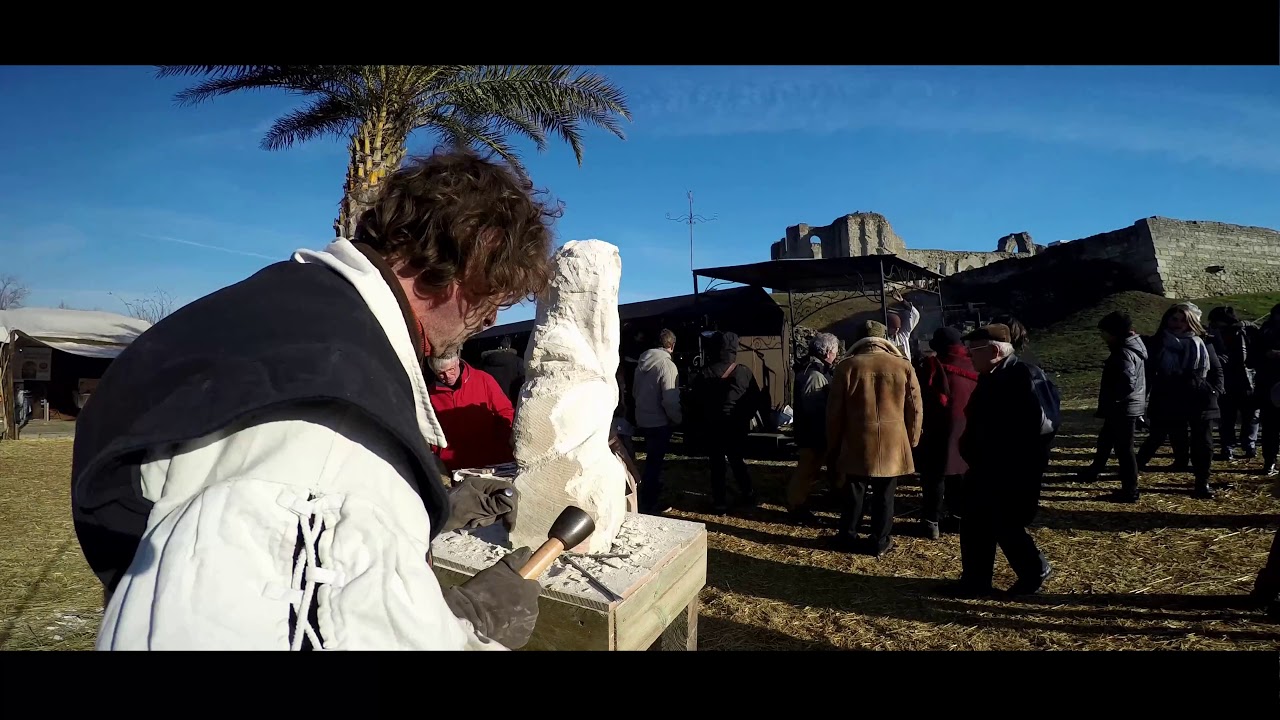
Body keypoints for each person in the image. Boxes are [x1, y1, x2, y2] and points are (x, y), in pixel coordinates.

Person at [69, 148, 558, 650]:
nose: (491, 320)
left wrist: (405, 516)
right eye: (494, 297)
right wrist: (471, 630)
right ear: (475, 260)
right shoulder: (337, 422)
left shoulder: (277, 312)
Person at [950, 323, 1054, 597]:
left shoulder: (1022, 376)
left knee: (1002, 521)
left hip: (1009, 469)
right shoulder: (992, 375)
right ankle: (975, 581)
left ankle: (1034, 569)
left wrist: (1016, 462)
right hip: (985, 466)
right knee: (975, 522)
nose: (969, 355)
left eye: (974, 350)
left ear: (995, 350)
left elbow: (1042, 426)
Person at [826, 321, 922, 557]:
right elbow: (915, 408)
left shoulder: (847, 366)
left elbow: (834, 412)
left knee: (854, 492)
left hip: (857, 441)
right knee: (886, 495)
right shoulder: (903, 366)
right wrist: (911, 440)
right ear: (884, 338)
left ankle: (848, 535)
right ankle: (880, 541)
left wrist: (834, 443)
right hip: (892, 443)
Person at [1136, 303, 1225, 498]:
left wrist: (1215, 391)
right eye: (1174, 319)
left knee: (1203, 442)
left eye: (1183, 320)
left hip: (1200, 396)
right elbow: (1148, 374)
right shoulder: (1158, 343)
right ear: (1167, 320)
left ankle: (1202, 483)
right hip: (1168, 395)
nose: (1178, 324)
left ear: (1191, 322)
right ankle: (1131, 472)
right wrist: (1142, 402)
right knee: (1158, 435)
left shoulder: (1202, 341)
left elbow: (1216, 369)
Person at [914, 326, 978, 538]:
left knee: (934, 476)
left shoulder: (932, 366)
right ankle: (958, 517)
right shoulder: (975, 364)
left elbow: (920, 396)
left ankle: (932, 521)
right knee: (959, 473)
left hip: (937, 425)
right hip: (967, 425)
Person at [1080, 311, 1148, 502]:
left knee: (1124, 450)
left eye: (1104, 332)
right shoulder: (1131, 347)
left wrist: (1115, 400)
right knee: (1106, 440)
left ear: (1113, 333)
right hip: (1125, 406)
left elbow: (1127, 382)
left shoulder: (1123, 352)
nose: (1102, 336)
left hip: (1123, 408)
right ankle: (1094, 471)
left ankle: (1130, 490)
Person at [691, 331, 759, 514]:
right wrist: (744, 417)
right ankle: (748, 494)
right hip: (736, 426)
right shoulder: (744, 372)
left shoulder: (705, 372)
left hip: (713, 426)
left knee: (717, 464)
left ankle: (719, 502)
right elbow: (755, 400)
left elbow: (695, 402)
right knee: (737, 460)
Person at [426, 351, 517, 473]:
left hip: (490, 462)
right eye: (441, 374)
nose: (448, 377)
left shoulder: (483, 379)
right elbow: (430, 429)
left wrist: (503, 441)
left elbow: (506, 412)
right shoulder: (430, 395)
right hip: (453, 466)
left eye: (451, 369)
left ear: (457, 361)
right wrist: (439, 453)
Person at [786, 332, 839, 526]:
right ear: (827, 352)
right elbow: (814, 409)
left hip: (813, 432)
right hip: (813, 434)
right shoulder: (815, 374)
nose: (836, 355)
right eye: (835, 351)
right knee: (806, 471)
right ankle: (796, 506)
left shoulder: (814, 370)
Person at [632, 328, 683, 514]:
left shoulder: (641, 364)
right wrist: (677, 419)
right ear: (672, 345)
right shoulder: (667, 366)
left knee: (650, 461)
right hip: (659, 422)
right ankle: (649, 503)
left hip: (643, 418)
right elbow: (669, 399)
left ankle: (647, 496)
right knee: (655, 463)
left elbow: (635, 392)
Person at [1206, 307, 1259, 461]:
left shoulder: (1244, 330)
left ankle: (1249, 445)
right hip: (1225, 380)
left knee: (1250, 415)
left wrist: (1246, 325)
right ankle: (1228, 447)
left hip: (1246, 379)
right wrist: (1216, 357)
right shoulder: (1212, 334)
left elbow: (1258, 341)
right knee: (1227, 417)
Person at [1252, 304, 1280, 478]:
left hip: (1268, 382)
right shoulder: (1266, 331)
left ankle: (1270, 461)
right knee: (1270, 427)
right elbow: (1253, 356)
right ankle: (1269, 461)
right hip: (1268, 383)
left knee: (1271, 427)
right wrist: (1266, 356)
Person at [478, 335, 526, 407]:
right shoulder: (519, 362)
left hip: (488, 407)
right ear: (509, 345)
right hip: (511, 407)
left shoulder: (482, 364)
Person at [886, 290, 921, 362]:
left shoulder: (902, 335)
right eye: (894, 328)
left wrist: (902, 301)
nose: (896, 330)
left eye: (898, 328)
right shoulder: (885, 340)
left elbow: (915, 315)